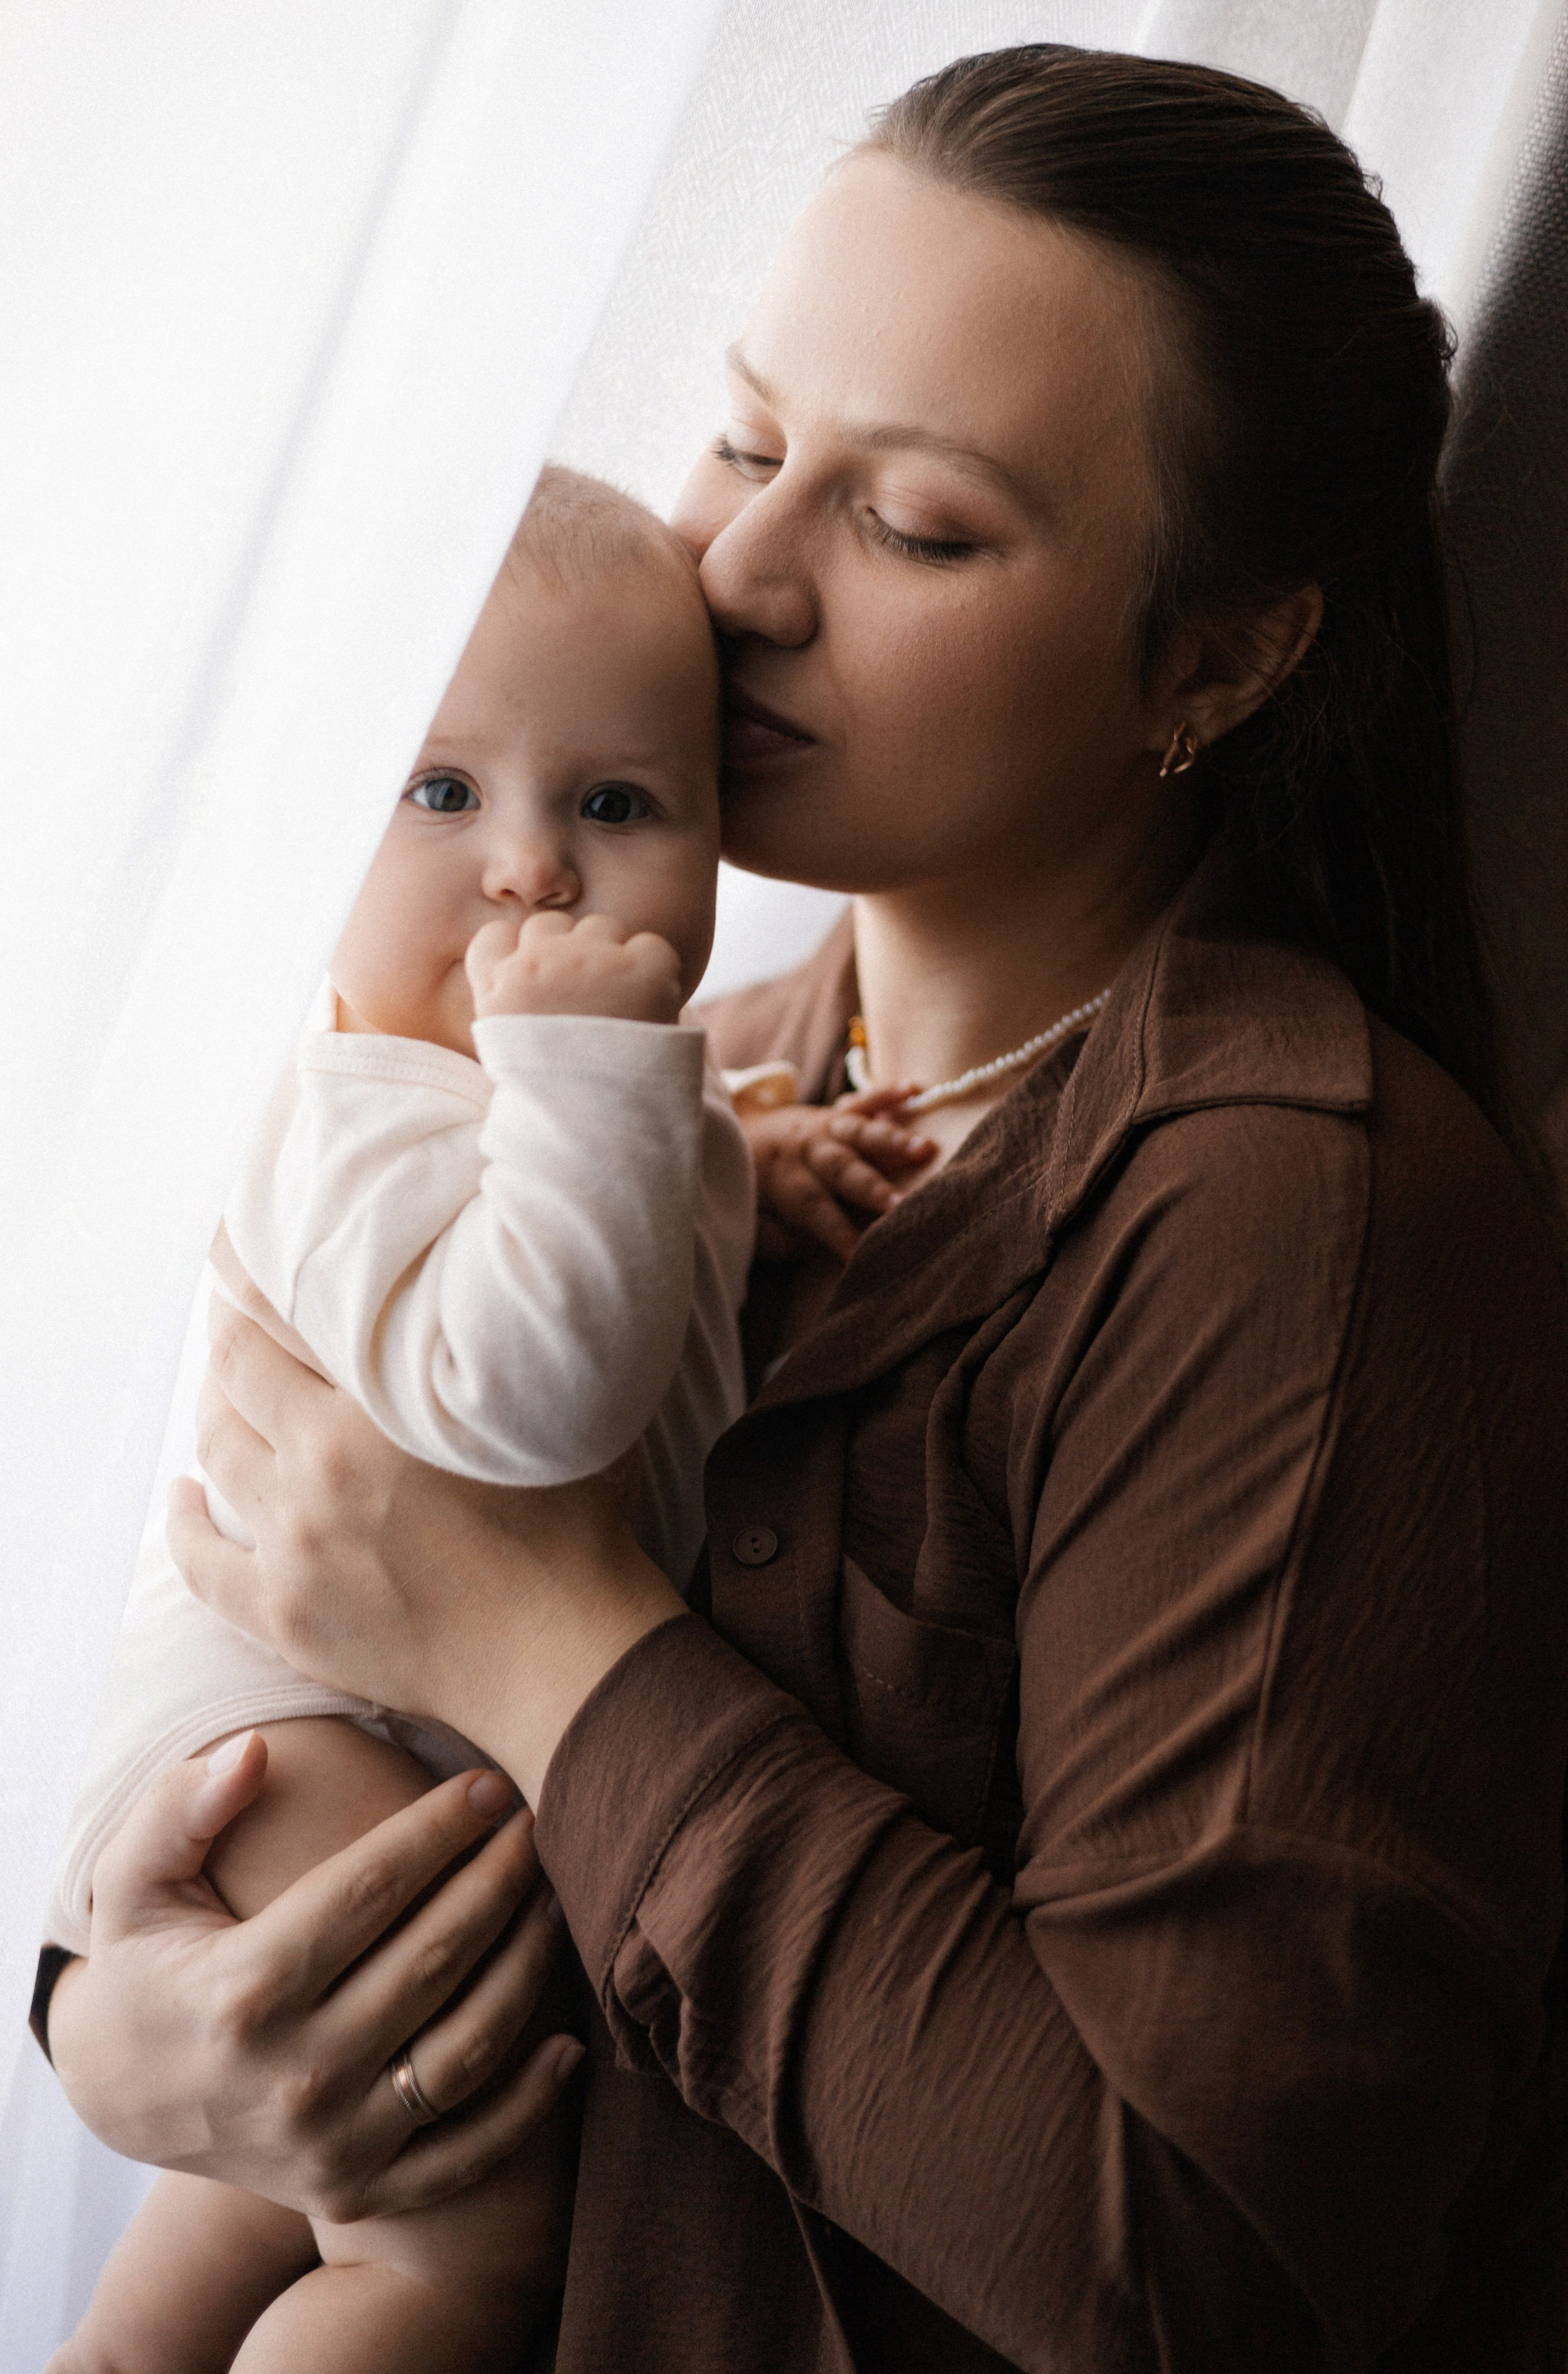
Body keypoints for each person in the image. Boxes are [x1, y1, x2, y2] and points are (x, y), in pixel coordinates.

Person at [38, 45, 1568, 2374]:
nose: (738, 576)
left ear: (1221, 655)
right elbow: (250, 1613)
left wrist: (536, 1642)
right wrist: (128, 2024)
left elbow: (1193, 2273)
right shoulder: (683, 1075)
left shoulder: (1289, 1220)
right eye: (749, 440)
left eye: (917, 525)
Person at [46, 466, 763, 2373]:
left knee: (259, 2204)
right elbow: (522, 1395)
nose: (530, 869)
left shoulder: (580, 1099)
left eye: (618, 806)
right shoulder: (352, 1100)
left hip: (370, 1736)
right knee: (458, 2251)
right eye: (439, 790)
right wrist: (601, 1086)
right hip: (291, 1737)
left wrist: (738, 1154)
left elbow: (634, 1275)